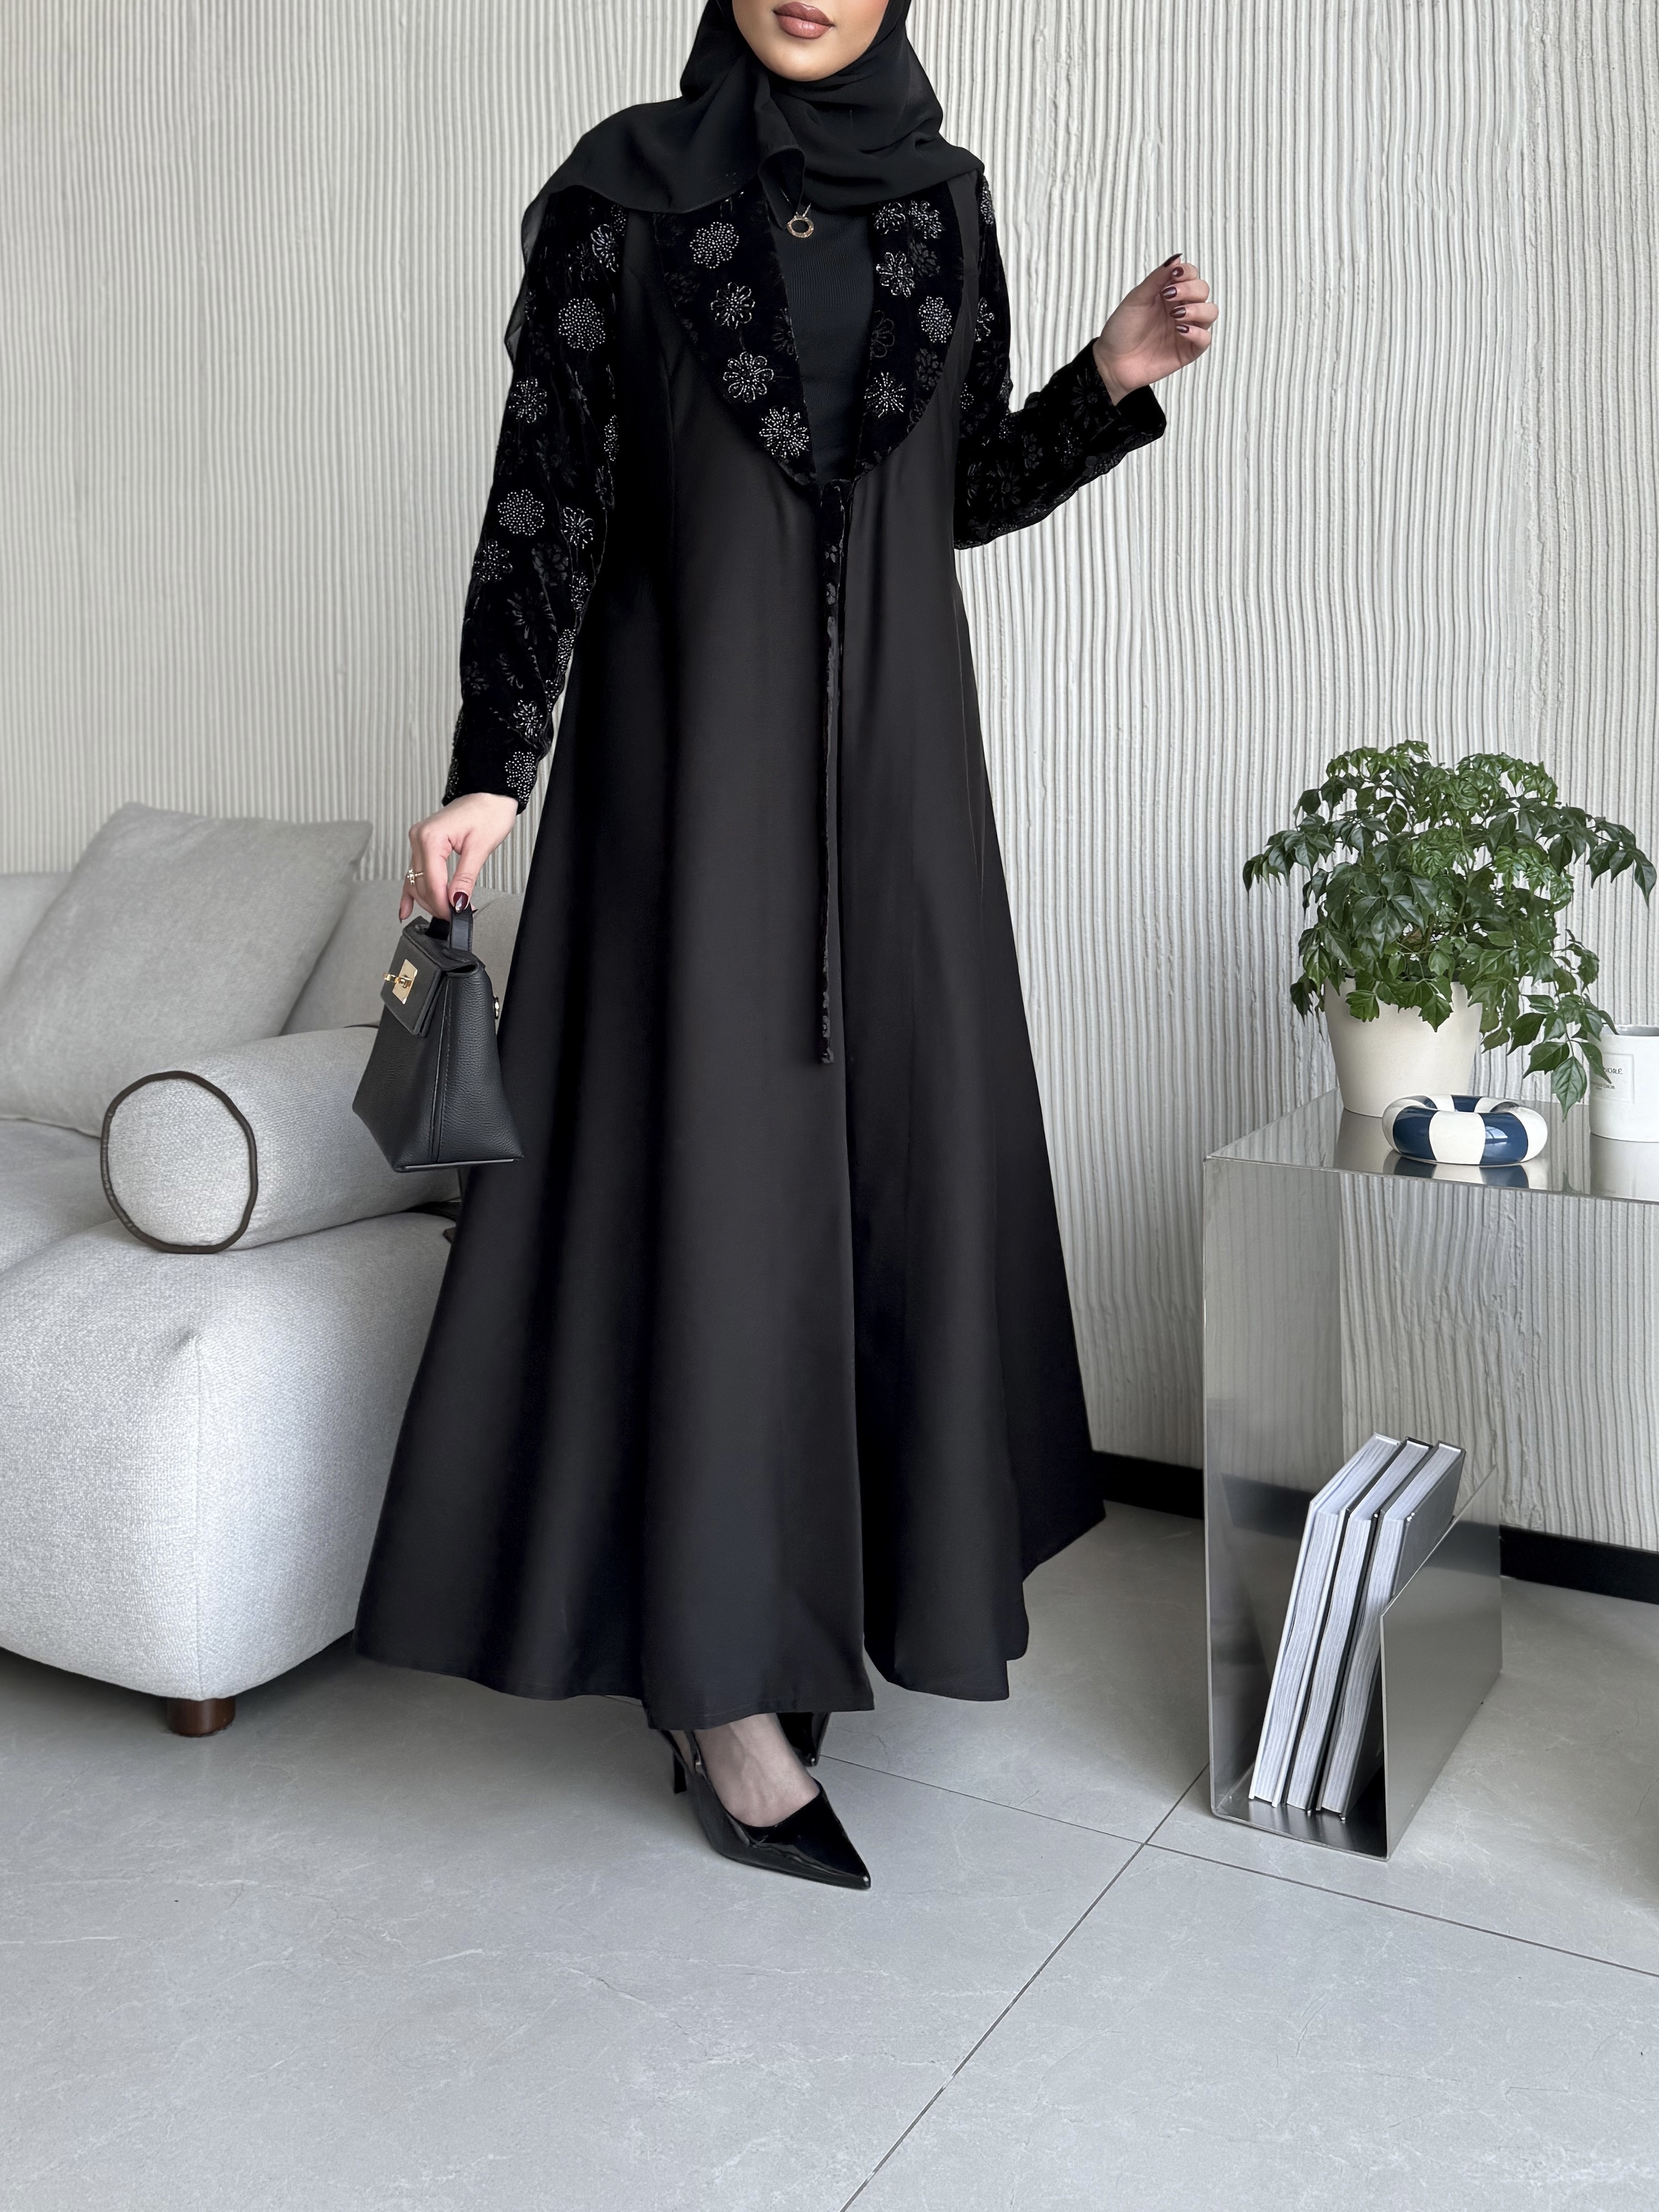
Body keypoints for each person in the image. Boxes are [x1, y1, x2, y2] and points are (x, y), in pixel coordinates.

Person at [354, 0, 1216, 1891]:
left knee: (880, 1184)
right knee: (719, 1200)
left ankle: (813, 1605)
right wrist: (493, 765)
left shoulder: (944, 200)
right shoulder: (627, 198)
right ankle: (719, 1690)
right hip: (687, 782)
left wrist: (1107, 376)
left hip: (898, 790)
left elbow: (953, 490)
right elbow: (548, 499)